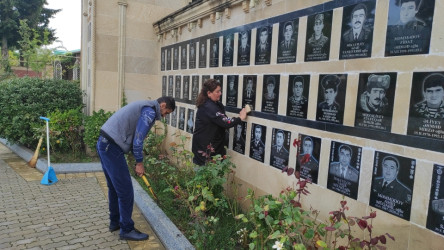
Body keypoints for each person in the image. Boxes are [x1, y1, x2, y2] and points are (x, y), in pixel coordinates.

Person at [97, 97, 175, 241]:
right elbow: (138, 139)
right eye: (166, 113)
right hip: (112, 147)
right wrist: (139, 162)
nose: (163, 117)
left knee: (115, 188)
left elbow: (134, 138)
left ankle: (115, 223)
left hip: (104, 144)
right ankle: (126, 229)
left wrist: (135, 157)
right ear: (162, 105)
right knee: (126, 191)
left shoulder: (145, 106)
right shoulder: (150, 112)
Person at [192, 79, 247, 165]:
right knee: (205, 174)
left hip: (213, 148)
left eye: (220, 91)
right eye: (217, 92)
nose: (220, 93)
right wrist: (240, 118)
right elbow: (225, 122)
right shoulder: (208, 107)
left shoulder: (216, 104)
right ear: (209, 93)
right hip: (204, 150)